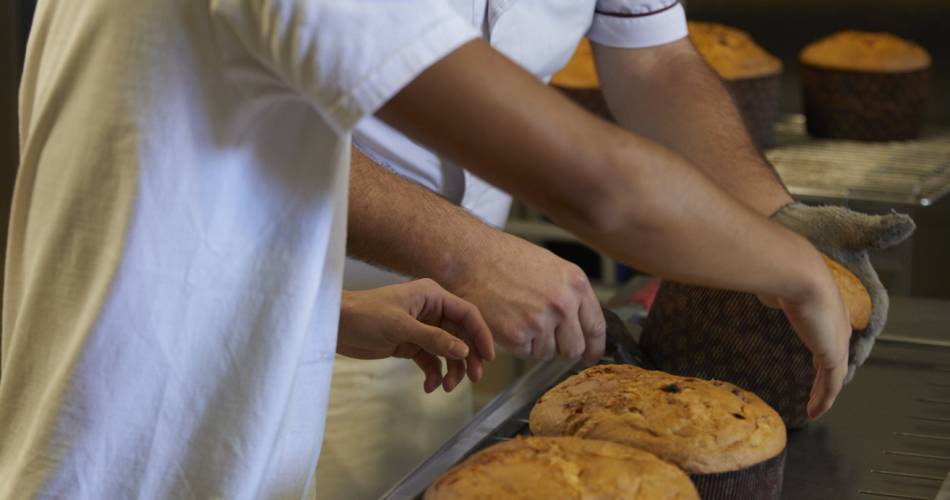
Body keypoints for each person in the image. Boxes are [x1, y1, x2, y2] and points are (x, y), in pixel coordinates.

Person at [0, 1, 852, 499]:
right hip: (133, 448)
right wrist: (793, 264)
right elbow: (604, 190)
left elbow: (201, 172)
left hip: (264, 350)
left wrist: (327, 315)